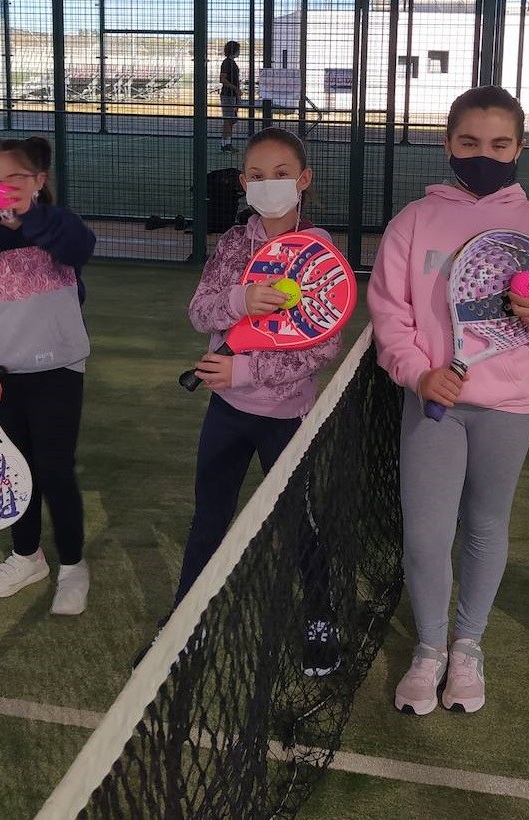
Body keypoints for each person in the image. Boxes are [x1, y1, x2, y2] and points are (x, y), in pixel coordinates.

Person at [367, 86, 529, 715]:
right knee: (427, 537)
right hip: (433, 404)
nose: (482, 155)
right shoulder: (414, 221)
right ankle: (429, 649)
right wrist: (417, 374)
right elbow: (390, 313)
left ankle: (468, 646)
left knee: (486, 528)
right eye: (469, 142)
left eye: (498, 144)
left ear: (519, 148)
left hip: (510, 410)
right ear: (448, 145)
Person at [177, 127, 342, 676]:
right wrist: (238, 299)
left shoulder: (318, 252)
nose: (268, 185)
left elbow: (322, 345)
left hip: (284, 417)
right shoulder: (232, 244)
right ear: (244, 182)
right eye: (256, 175)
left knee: (297, 522)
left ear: (303, 181)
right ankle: (186, 620)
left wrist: (241, 368)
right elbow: (200, 312)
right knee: (209, 518)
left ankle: (321, 615)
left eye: (280, 175)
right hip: (225, 412)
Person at [0, 137, 97, 616]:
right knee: (16, 474)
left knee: (55, 471)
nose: (3, 188)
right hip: (4, 380)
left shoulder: (59, 233)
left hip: (59, 373)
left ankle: (73, 566)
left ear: (39, 182)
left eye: (15, 178)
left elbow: (80, 245)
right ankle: (27, 556)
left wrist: (30, 215)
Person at [219, 41, 241, 153]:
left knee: (232, 119)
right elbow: (222, 79)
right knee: (228, 119)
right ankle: (225, 144)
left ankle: (227, 142)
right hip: (228, 95)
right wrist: (235, 88)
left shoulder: (231, 62)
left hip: (233, 95)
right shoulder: (227, 63)